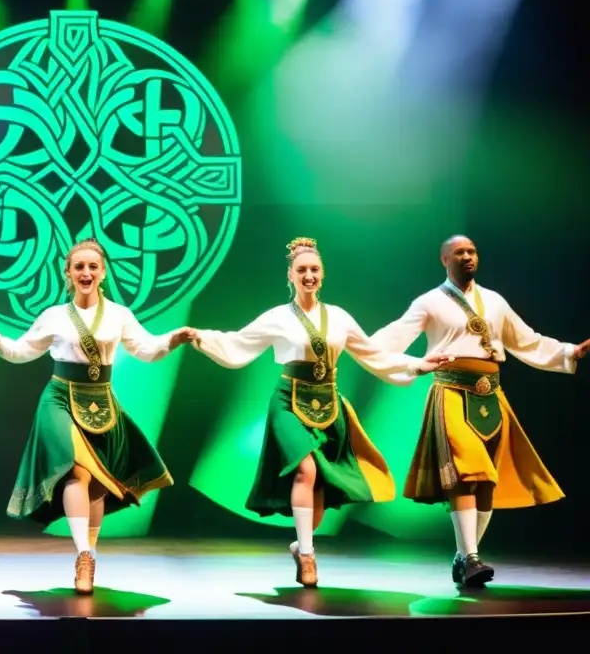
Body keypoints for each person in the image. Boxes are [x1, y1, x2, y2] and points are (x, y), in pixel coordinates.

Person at [190, 238, 451, 588]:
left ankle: (302, 544)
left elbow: (373, 355)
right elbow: (239, 344)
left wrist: (418, 365)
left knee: (319, 487)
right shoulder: (278, 317)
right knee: (304, 468)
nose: (308, 275)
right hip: (289, 402)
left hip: (329, 403)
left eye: (314, 270)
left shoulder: (339, 318)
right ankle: (310, 556)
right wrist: (199, 338)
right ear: (290, 276)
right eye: (302, 270)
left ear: (322, 275)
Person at [0, 238, 195, 595]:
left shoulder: (119, 314)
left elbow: (146, 350)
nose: (86, 273)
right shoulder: (54, 316)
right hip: (59, 399)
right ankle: (84, 556)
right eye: (79, 267)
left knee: (98, 482)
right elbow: (19, 351)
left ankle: (89, 553)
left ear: (103, 272)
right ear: (68, 274)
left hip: (102, 402)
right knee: (76, 470)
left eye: (93, 266)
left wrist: (174, 340)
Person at [370, 234, 590, 588]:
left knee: (486, 479)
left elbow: (525, 340)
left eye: (472, 251)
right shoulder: (429, 302)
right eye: (459, 252)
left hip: (490, 395)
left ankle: (464, 556)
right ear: (444, 259)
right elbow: (389, 340)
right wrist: (412, 363)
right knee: (466, 471)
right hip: (451, 392)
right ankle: (471, 558)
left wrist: (567, 353)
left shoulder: (493, 301)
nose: (468, 257)